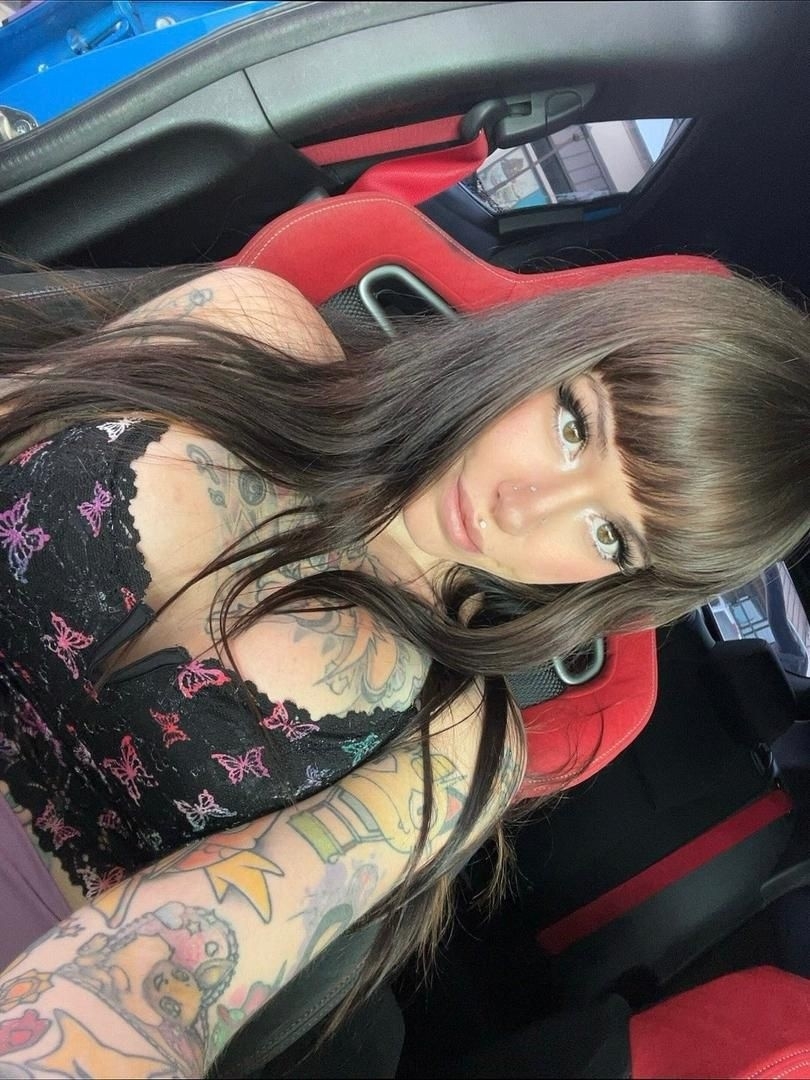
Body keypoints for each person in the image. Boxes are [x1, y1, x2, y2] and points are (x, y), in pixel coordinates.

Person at [0, 263, 808, 1075]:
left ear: (620, 584)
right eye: (574, 427)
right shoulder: (246, 322)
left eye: (607, 535)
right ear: (554, 348)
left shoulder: (452, 744)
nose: (523, 507)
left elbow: (170, 974)